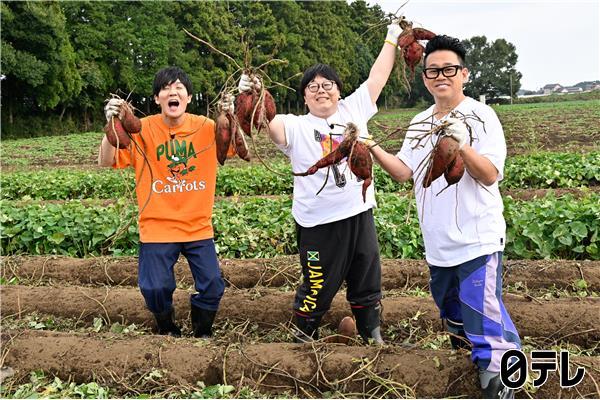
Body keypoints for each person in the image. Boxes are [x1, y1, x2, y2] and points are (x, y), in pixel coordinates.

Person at [222, 22, 403, 345]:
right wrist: (252, 92)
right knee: (318, 283)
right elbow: (265, 121)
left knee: (367, 275)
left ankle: (371, 332)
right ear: (304, 97)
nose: (321, 90)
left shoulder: (354, 110)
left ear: (339, 90)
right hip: (318, 221)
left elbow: (378, 76)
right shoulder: (295, 126)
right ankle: (304, 333)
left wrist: (392, 36)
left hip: (359, 214)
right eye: (313, 86)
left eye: (328, 84)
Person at [369, 35, 521, 398]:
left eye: (449, 69)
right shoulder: (420, 121)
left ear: (464, 74)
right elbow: (405, 172)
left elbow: (488, 175)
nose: (441, 76)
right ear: (424, 78)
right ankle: (470, 358)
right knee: (451, 310)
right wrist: (371, 145)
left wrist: (461, 144)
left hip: (476, 236)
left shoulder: (481, 116)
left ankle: (501, 375)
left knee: (480, 311)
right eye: (433, 70)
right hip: (437, 240)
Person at [99, 66, 225, 338]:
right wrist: (111, 124)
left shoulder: (207, 128)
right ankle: (167, 327)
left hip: (197, 225)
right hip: (157, 225)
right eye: (166, 88)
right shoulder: (142, 129)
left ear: (189, 97)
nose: (173, 92)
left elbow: (237, 145)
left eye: (179, 87)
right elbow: (106, 160)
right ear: (157, 99)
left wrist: (234, 108)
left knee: (213, 284)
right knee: (154, 288)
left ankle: (202, 330)